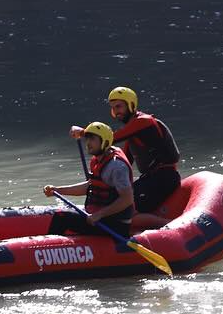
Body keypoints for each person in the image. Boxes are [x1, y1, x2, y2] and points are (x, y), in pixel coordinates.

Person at [81, 85, 182, 230]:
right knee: (115, 205)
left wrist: (84, 133)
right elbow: (124, 162)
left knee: (126, 213)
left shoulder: (144, 121)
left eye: (119, 106)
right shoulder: (132, 132)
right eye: (113, 108)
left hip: (164, 178)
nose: (116, 111)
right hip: (149, 179)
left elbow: (109, 139)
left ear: (131, 105)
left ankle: (175, 226)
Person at [42, 121, 135, 239]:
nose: (88, 143)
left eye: (92, 139)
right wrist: (57, 190)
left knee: (61, 217)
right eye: (87, 139)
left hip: (115, 225)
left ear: (105, 142)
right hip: (101, 218)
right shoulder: (98, 160)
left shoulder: (116, 166)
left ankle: (51, 247)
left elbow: (127, 199)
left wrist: (99, 214)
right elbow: (90, 186)